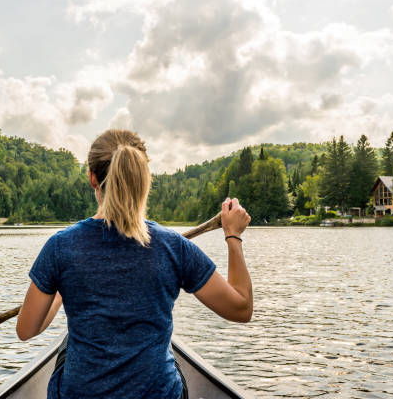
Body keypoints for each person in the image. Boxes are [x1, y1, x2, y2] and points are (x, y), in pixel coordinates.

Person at [16, 129, 252, 399]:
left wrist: (59, 292)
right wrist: (233, 236)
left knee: (68, 345)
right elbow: (241, 308)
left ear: (92, 178)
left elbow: (26, 329)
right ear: (145, 180)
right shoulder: (173, 246)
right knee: (168, 359)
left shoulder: (60, 248)